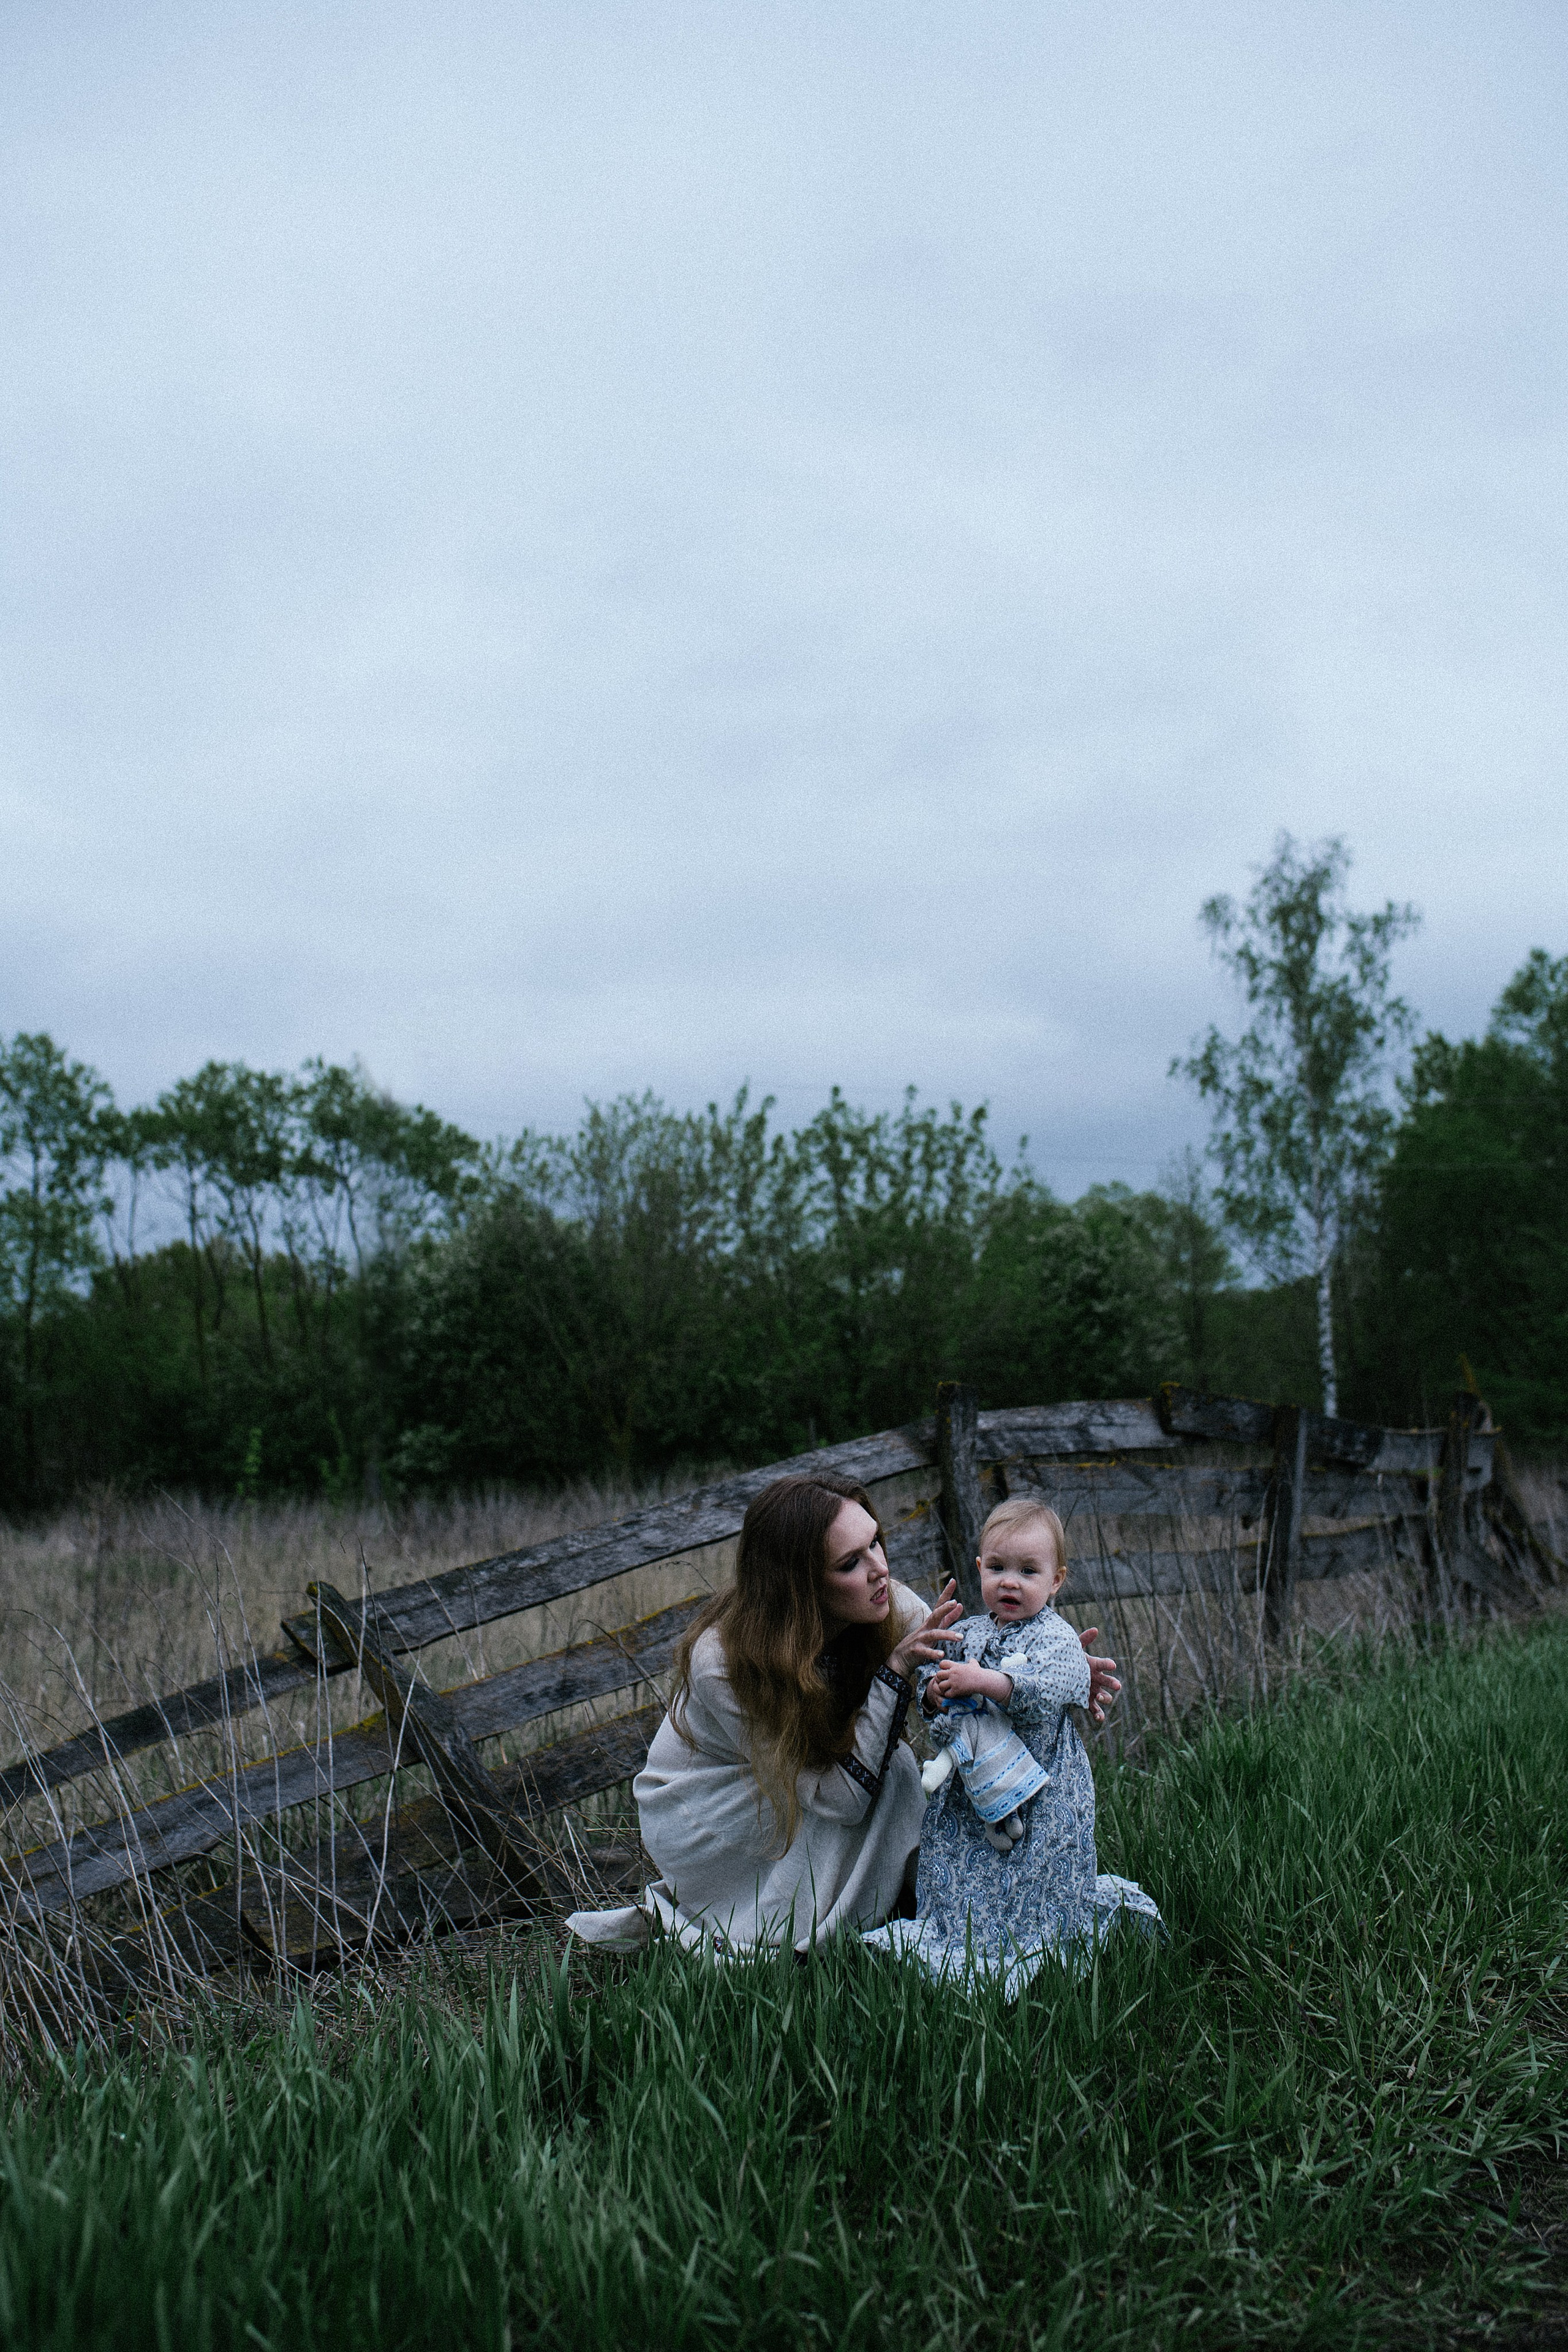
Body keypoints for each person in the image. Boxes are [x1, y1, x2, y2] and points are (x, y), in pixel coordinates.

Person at [565, 1471, 966, 1953]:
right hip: (713, 1806)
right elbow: (841, 1801)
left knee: (891, 1768)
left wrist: (1050, 1670)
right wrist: (897, 1670)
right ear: (801, 1586)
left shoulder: (887, 1603)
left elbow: (965, 1671)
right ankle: (825, 1926)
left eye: (876, 1542)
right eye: (850, 1563)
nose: (879, 1568)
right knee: (895, 1770)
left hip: (813, 1781)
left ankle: (916, 1907)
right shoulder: (723, 1660)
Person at [864, 1496, 1162, 1994]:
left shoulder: (1058, 1639)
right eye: (998, 1567)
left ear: (1056, 1581)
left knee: (1036, 1869)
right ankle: (960, 1946)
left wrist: (983, 1681)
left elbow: (1046, 1691)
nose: (1010, 1582)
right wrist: (936, 1694)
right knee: (962, 1865)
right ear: (980, 1568)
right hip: (969, 1792)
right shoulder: (965, 1633)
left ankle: (1038, 1943)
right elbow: (934, 1694)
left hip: (1043, 1794)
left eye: (1028, 1571)